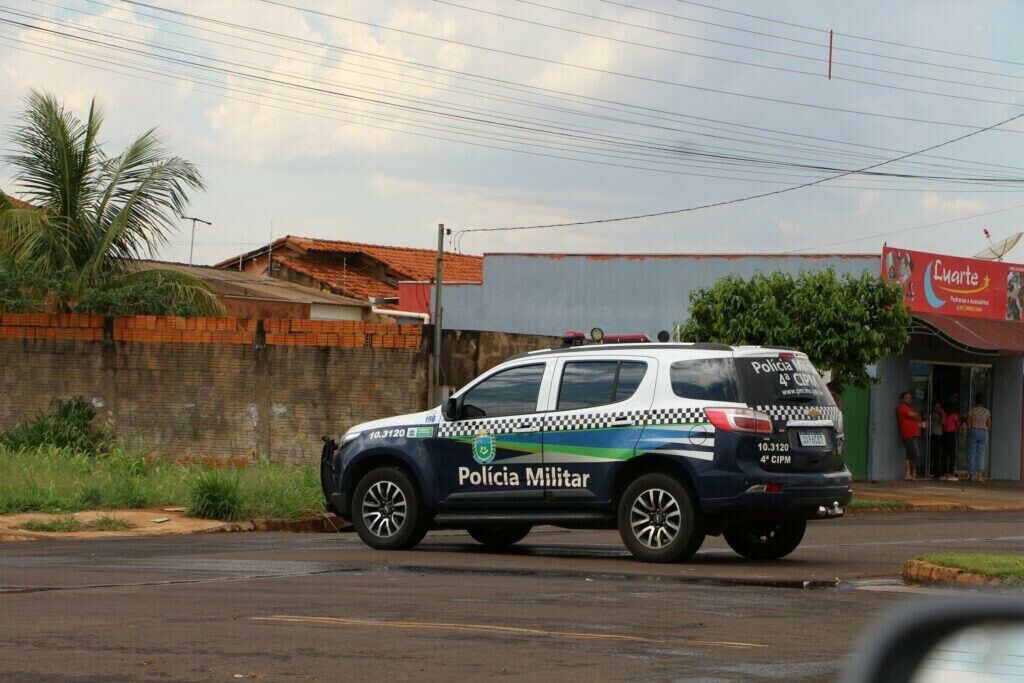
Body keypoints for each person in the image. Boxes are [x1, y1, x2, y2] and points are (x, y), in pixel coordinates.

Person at [965, 393, 992, 482]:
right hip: (983, 432)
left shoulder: (972, 410)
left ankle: (971, 476)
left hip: (974, 431)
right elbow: (989, 424)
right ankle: (979, 476)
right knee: (981, 453)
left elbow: (968, 422)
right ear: (982, 401)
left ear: (975, 401)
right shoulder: (987, 411)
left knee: (972, 453)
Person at [896, 391, 922, 481]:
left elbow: (919, 417)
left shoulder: (911, 408)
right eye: (907, 398)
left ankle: (908, 474)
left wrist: (916, 415)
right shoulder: (902, 407)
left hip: (914, 434)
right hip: (908, 434)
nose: (909, 399)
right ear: (902, 399)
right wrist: (916, 415)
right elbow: (913, 415)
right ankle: (911, 473)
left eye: (910, 398)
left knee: (910, 454)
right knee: (914, 454)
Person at [942, 401, 959, 481]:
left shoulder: (945, 415)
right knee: (952, 454)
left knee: (945, 453)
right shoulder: (954, 415)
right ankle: (951, 473)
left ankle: (945, 473)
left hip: (945, 434)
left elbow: (943, 424)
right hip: (951, 434)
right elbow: (957, 425)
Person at [929, 402, 945, 479]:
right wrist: (942, 413)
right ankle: (934, 472)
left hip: (939, 435)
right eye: (936, 406)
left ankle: (935, 471)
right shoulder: (934, 414)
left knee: (937, 454)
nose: (938, 408)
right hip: (935, 435)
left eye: (939, 406)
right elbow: (943, 422)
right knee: (936, 453)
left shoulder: (937, 414)